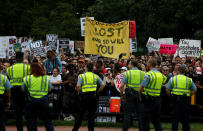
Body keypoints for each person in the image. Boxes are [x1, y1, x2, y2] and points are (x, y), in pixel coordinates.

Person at [72, 63, 105, 131]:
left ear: (86, 68)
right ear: (92, 69)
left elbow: (78, 86)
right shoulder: (95, 76)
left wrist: (79, 92)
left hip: (84, 96)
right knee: (91, 116)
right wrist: (98, 92)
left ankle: (74, 130)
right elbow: (103, 85)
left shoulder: (82, 76)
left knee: (80, 115)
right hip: (93, 96)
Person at [22, 62, 54, 131]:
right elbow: (50, 89)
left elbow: (23, 89)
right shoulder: (46, 78)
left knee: (31, 121)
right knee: (48, 121)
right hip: (44, 100)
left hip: (32, 101)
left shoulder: (27, 78)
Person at [138, 57, 167, 131]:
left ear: (149, 64)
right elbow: (164, 81)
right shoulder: (161, 75)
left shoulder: (148, 74)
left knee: (145, 121)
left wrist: (140, 97)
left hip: (148, 100)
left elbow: (140, 88)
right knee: (156, 121)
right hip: (157, 100)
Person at [166, 66, 197, 131]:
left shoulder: (173, 79)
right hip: (185, 100)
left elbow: (167, 90)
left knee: (175, 119)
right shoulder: (188, 79)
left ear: (178, 71)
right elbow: (194, 90)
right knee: (185, 119)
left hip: (175, 100)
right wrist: (189, 95)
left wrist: (171, 97)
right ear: (184, 71)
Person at [7, 52, 30, 131]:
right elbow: (29, 79)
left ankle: (19, 129)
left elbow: (9, 79)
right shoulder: (27, 68)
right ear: (23, 58)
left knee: (18, 112)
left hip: (14, 91)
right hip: (25, 91)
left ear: (15, 59)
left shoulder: (10, 69)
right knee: (28, 111)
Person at [120, 59, 145, 131]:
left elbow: (121, 86)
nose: (128, 65)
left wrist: (122, 95)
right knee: (140, 115)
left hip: (129, 96)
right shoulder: (143, 73)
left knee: (127, 115)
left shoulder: (127, 73)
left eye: (129, 64)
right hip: (139, 96)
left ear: (131, 64)